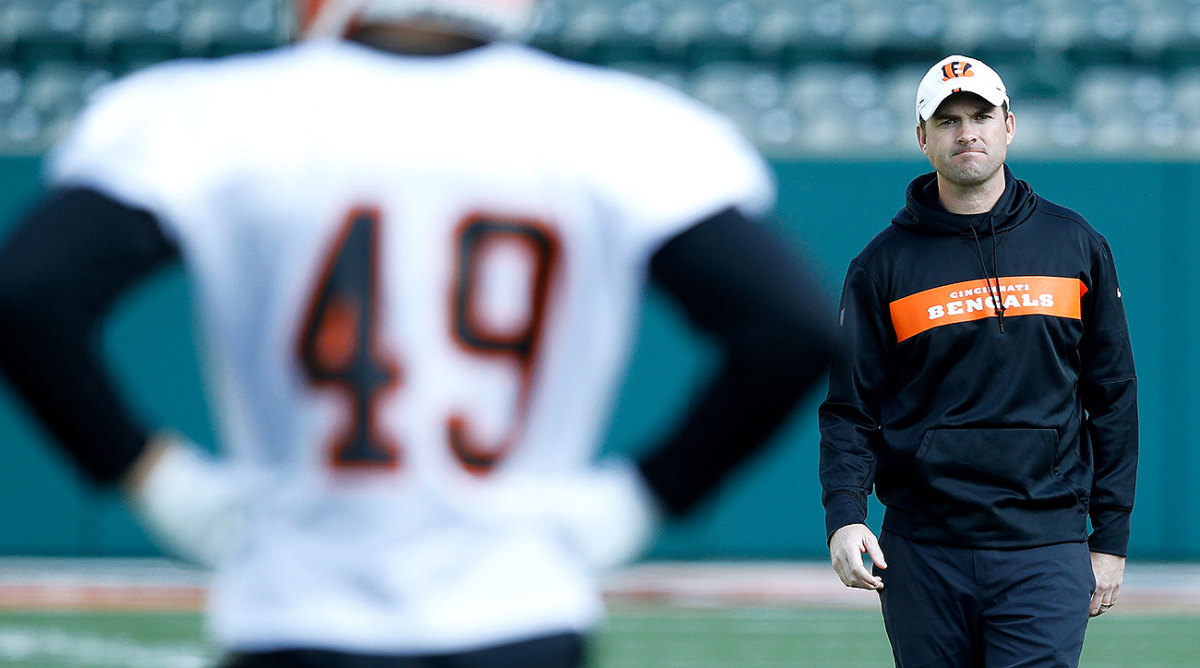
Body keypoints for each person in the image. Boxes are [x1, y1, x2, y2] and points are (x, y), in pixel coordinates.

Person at [0, 1, 835, 666]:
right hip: (519, 603)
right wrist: (648, 495)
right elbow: (791, 330)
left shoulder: (205, 113)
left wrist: (154, 479)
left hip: (295, 602)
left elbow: (28, 298)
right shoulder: (627, 127)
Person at [818, 54, 1138, 667]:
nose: (967, 132)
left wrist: (1111, 538)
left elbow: (1113, 397)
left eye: (981, 116)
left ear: (1008, 126)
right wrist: (845, 517)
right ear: (922, 138)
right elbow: (849, 410)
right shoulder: (881, 266)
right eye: (948, 120)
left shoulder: (1075, 245)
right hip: (922, 552)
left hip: (1045, 547)